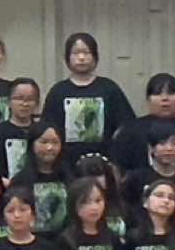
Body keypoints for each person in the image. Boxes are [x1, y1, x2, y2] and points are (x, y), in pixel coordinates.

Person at [42, 32, 134, 161]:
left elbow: (126, 124)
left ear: (95, 56)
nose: (81, 58)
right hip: (66, 161)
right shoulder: (58, 91)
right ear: (67, 57)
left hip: (104, 159)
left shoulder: (109, 88)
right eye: (75, 53)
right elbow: (47, 127)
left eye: (86, 53)